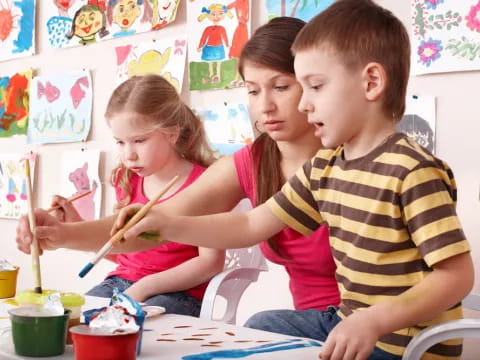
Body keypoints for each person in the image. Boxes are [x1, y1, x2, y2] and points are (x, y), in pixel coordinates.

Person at [108, 1, 474, 359]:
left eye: (315, 87)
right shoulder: (327, 167)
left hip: (403, 343)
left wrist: (374, 320)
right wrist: (168, 225)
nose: (303, 104)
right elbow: (250, 223)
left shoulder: (412, 170)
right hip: (349, 322)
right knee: (260, 325)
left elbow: (456, 276)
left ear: (371, 82)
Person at [16, 17, 340, 314]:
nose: (264, 106)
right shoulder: (251, 162)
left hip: (361, 326)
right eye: (252, 90)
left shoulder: (353, 159)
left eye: (281, 87)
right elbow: (153, 225)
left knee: (262, 324)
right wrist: (59, 233)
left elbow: (232, 233)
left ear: (315, 84)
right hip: (311, 327)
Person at [27, 74, 226, 316]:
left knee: (131, 333)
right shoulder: (127, 180)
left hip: (179, 293)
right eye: (120, 142)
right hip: (120, 284)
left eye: (139, 141)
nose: (128, 155)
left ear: (172, 133)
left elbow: (210, 262)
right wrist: (77, 223)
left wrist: (144, 287)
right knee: (73, 322)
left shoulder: (204, 184)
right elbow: (123, 250)